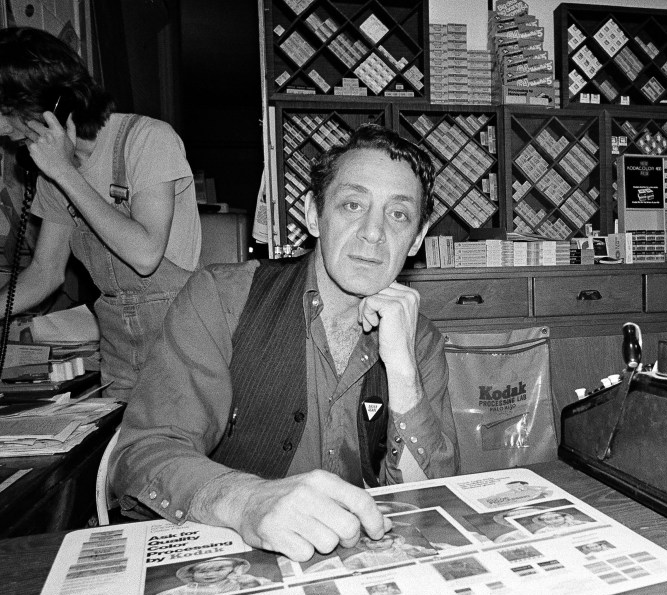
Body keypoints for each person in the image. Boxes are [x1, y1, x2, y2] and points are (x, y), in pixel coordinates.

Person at [111, 124, 459, 563]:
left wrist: (403, 372)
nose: (373, 232)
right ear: (314, 214)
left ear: (418, 238)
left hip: (361, 564)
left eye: (399, 215)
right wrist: (248, 501)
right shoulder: (220, 298)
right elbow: (143, 453)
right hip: (235, 560)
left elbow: (428, 499)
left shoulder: (420, 339)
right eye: (353, 205)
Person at [0, 27, 202, 400]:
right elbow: (45, 272)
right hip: (119, 356)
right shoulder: (52, 171)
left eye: (8, 112)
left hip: (183, 350)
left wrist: (65, 172)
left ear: (54, 103)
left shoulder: (148, 139)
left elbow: (145, 254)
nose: (1, 128)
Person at [143, 557, 273, 595]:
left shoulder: (244, 581)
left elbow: (273, 589)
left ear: (234, 569)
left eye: (219, 569)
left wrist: (255, 583)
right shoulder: (179, 592)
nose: (210, 574)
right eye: (202, 572)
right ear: (191, 575)